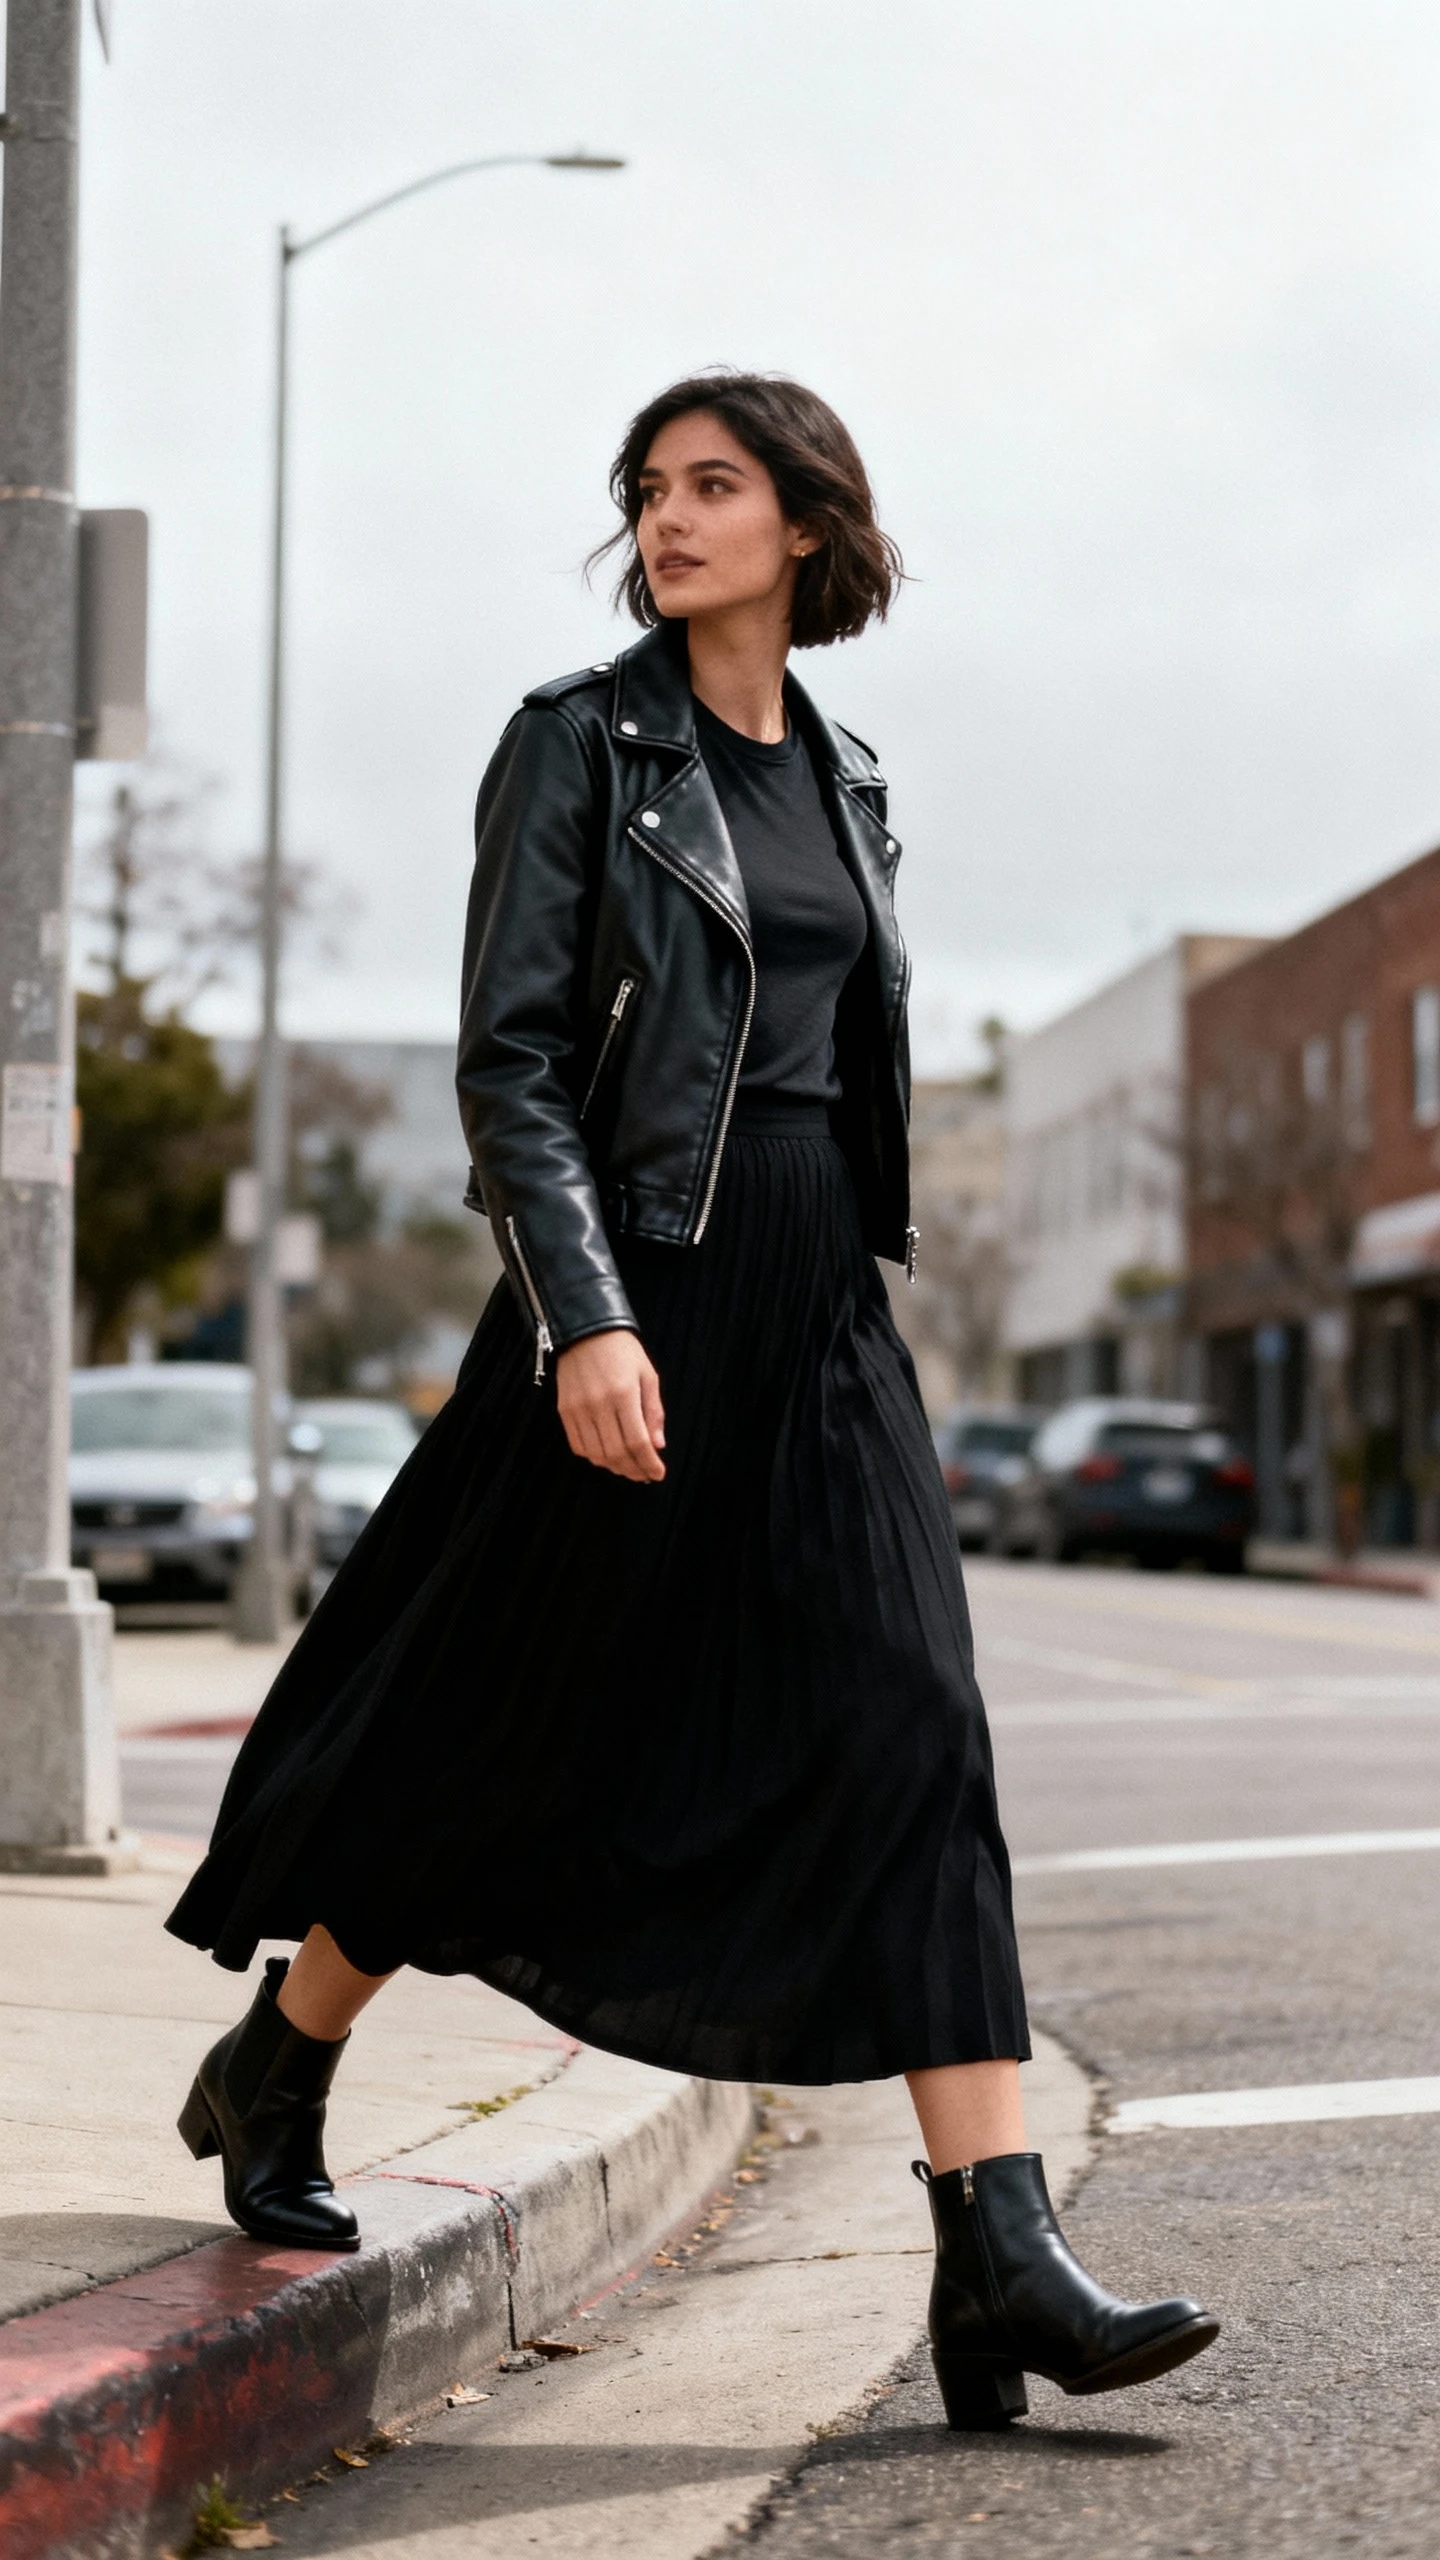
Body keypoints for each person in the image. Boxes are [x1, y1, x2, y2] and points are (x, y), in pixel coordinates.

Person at [168, 371, 1218, 2430]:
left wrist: (858, 1285)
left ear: (810, 522)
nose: (670, 517)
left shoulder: (847, 774)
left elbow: (842, 1062)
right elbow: (516, 1062)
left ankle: (994, 2241)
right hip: (639, 1288)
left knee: (918, 1724)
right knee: (502, 1724)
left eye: (715, 484)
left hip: (823, 1311)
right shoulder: (579, 746)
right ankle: (287, 2047)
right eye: (650, 489)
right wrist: (586, 1314)